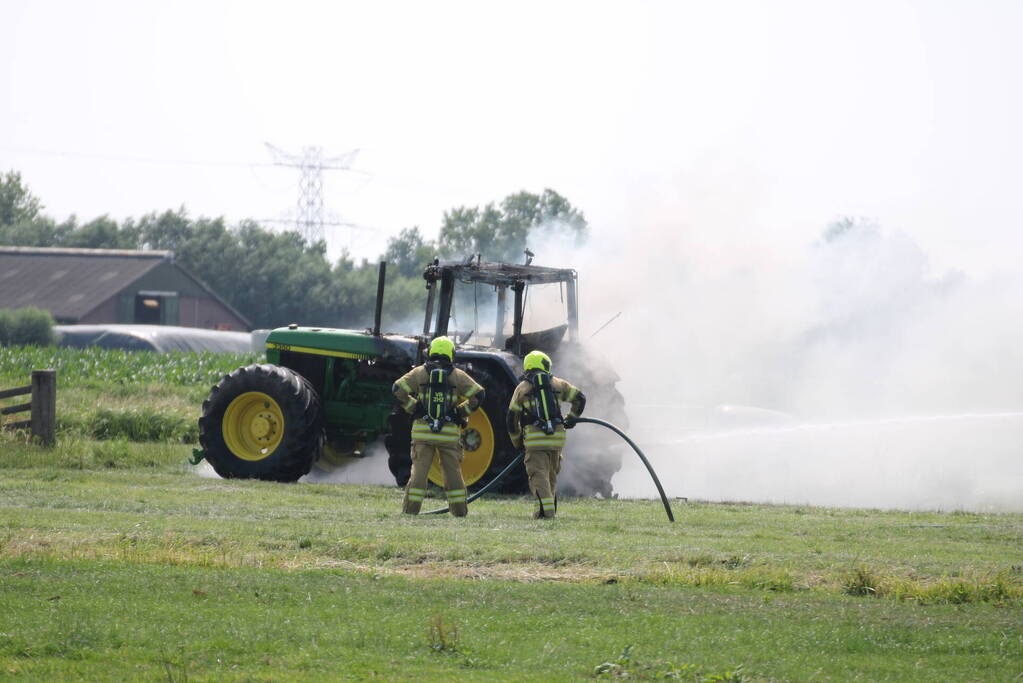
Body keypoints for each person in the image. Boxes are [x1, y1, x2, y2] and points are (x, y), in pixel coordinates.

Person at [392, 336, 485, 516]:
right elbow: (479, 395)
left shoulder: (419, 373)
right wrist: (459, 412)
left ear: (430, 352)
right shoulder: (458, 375)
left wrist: (414, 408)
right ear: (451, 354)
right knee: (453, 475)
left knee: (419, 474)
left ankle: (410, 512)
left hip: (423, 433)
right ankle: (459, 512)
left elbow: (397, 390)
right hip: (448, 435)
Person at [506, 350, 586, 519]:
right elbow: (580, 398)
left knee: (538, 477)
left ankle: (547, 513)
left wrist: (517, 442)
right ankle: (543, 512)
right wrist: (571, 419)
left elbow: (511, 418)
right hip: (556, 439)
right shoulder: (558, 384)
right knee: (550, 476)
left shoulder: (522, 388)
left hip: (535, 441)